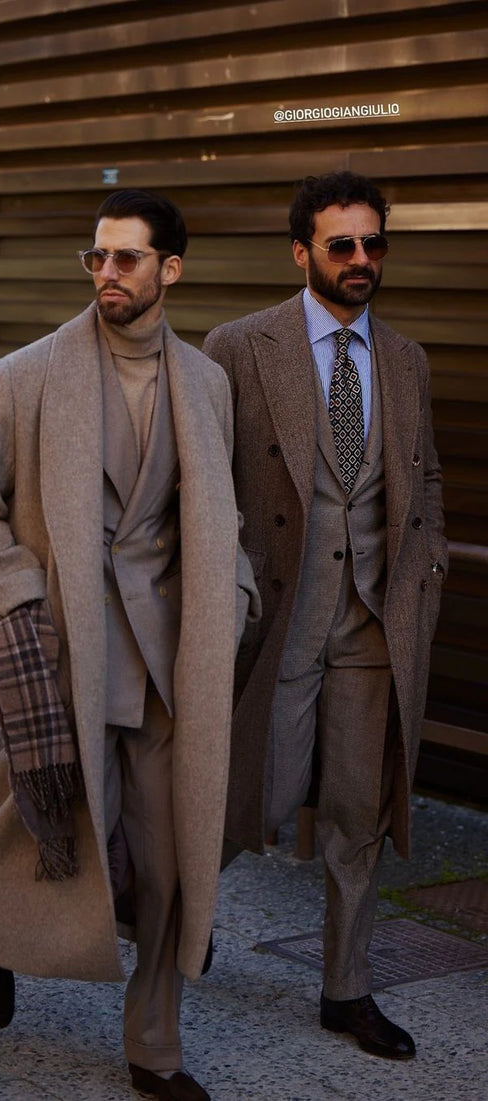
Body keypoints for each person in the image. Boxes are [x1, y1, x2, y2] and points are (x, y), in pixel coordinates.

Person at [0, 188, 259, 1101]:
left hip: (169, 665)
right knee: (48, 831)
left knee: (173, 864)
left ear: (170, 269)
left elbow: (217, 518)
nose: (107, 272)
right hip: (63, 653)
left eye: (126, 258)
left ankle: (155, 1050)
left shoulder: (207, 383)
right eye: (96, 257)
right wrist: (19, 589)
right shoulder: (22, 376)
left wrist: (235, 598)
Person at [203, 171, 447, 1061]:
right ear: (301, 251)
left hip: (377, 622)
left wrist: (428, 565)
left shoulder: (407, 358)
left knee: (357, 811)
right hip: (282, 617)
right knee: (249, 793)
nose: (360, 258)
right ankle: (169, 911)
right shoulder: (239, 345)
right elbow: (204, 479)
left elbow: (424, 475)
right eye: (341, 243)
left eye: (373, 242)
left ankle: (347, 989)